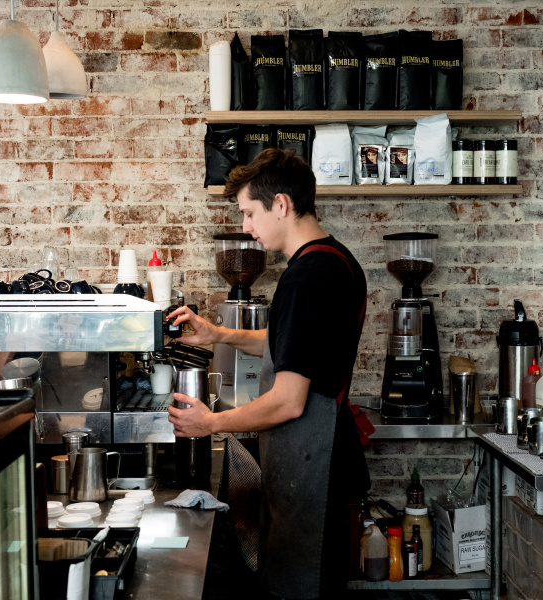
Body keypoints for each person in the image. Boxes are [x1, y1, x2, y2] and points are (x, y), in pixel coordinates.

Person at [167, 148, 370, 599]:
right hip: (320, 460)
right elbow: (291, 346)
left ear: (280, 204)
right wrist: (218, 334)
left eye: (249, 213)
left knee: (300, 588)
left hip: (313, 469)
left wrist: (211, 423)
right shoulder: (336, 260)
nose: (246, 227)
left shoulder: (306, 278)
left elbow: (289, 400)